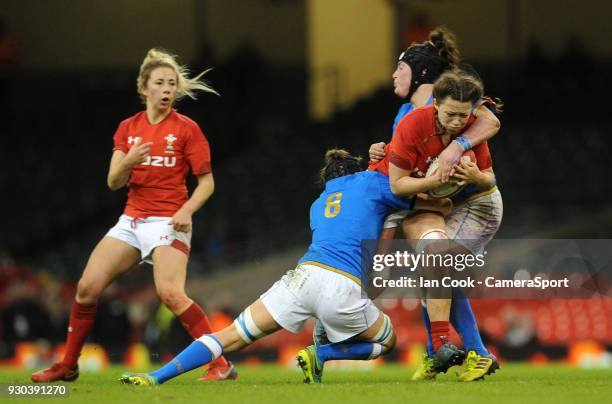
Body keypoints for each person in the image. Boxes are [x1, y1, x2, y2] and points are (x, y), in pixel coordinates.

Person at [118, 149, 452, 386]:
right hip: (341, 284)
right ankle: (322, 354)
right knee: (387, 340)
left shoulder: (318, 203)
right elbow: (411, 190)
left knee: (231, 336)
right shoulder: (370, 182)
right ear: (357, 170)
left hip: (301, 277)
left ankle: (155, 377)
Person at [31, 48, 236, 383]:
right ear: (144, 88)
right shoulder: (128, 128)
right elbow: (113, 182)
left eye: (172, 83)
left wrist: (187, 208)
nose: (168, 89)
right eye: (160, 83)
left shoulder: (187, 129)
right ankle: (68, 364)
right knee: (86, 288)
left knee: (170, 293)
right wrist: (129, 160)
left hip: (171, 220)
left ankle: (221, 363)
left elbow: (207, 182)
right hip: (132, 220)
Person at [367, 27, 502, 381]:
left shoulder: (450, 105)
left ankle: (470, 352)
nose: (394, 74)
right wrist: (378, 154)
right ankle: (440, 353)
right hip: (444, 202)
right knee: (434, 267)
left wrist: (457, 146)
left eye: (401, 68)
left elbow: (489, 119)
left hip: (475, 202)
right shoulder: (407, 116)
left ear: (421, 74)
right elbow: (403, 168)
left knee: (435, 264)